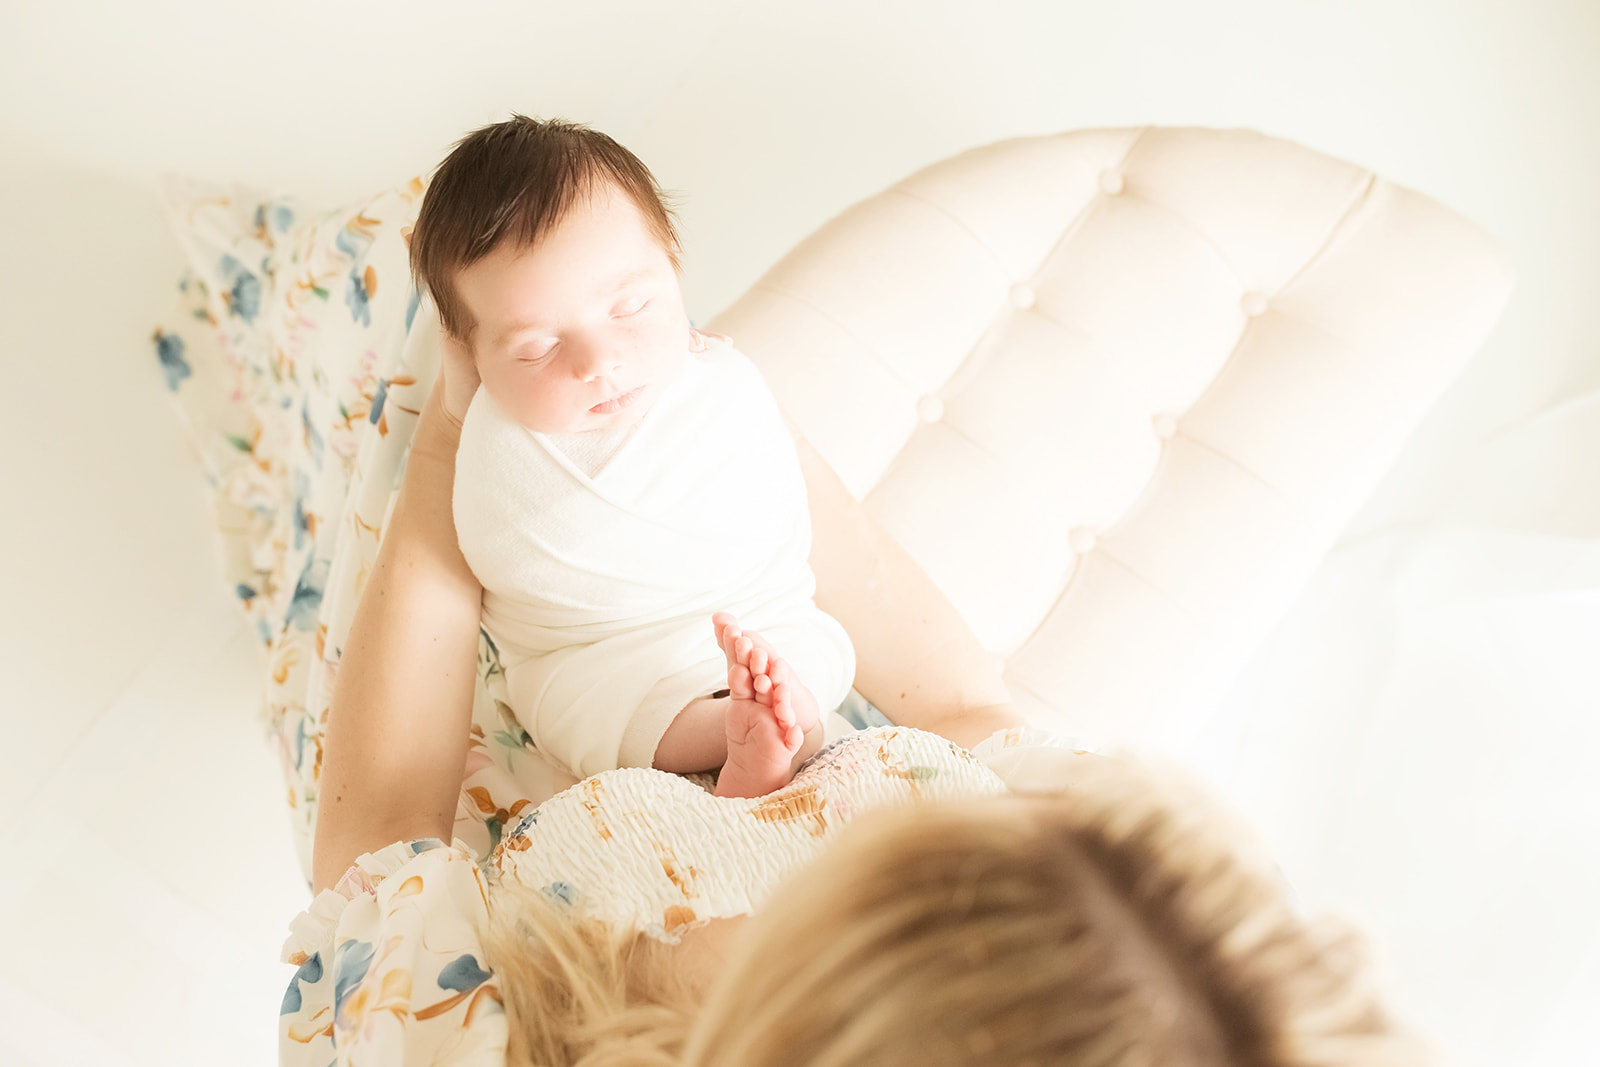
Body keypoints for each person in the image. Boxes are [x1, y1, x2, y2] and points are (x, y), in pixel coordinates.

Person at [288, 116, 1417, 1066]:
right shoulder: (1155, 917)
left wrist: (443, 437)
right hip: (707, 632)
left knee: (352, 431)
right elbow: (968, 708)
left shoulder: (461, 1016)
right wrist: (732, 436)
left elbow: (376, 847)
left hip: (501, 743)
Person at [412, 116, 856, 798]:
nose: (599, 362)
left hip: (756, 606)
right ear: (468, 354)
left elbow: (776, 514)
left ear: (673, 266)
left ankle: (785, 716)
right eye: (534, 348)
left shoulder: (717, 378)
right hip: (595, 649)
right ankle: (733, 734)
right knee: (578, 707)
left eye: (632, 306)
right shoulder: (487, 435)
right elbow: (507, 570)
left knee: (820, 651)